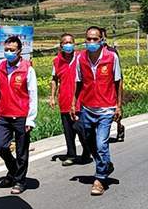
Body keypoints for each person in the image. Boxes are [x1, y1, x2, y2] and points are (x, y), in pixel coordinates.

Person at [71, 26, 123, 196]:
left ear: (101, 40)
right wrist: (74, 104)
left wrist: (118, 105)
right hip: (87, 107)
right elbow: (78, 82)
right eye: (89, 39)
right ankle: (106, 164)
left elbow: (118, 82)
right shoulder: (80, 59)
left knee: (102, 144)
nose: (91, 42)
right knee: (88, 140)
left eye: (95, 39)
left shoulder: (111, 57)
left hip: (106, 108)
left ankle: (100, 178)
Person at [0, 35, 38, 194]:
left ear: (19, 51)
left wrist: (30, 119)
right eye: (6, 50)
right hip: (4, 114)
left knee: (22, 151)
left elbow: (33, 94)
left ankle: (19, 181)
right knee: (1, 146)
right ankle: (14, 170)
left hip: (22, 116)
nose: (9, 52)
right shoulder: (0, 68)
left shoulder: (27, 69)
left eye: (12, 50)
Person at [50, 33, 90, 165]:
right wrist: (52, 97)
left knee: (79, 127)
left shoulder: (81, 57)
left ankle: (87, 149)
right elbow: (54, 79)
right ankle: (71, 154)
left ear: (74, 44)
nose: (68, 45)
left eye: (70, 42)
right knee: (68, 131)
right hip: (64, 99)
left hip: (80, 99)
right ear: (61, 45)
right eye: (65, 43)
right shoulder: (57, 61)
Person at [103, 28, 125, 142]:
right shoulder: (91, 54)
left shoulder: (112, 52)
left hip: (112, 84)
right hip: (102, 87)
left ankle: (120, 126)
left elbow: (118, 72)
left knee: (115, 110)